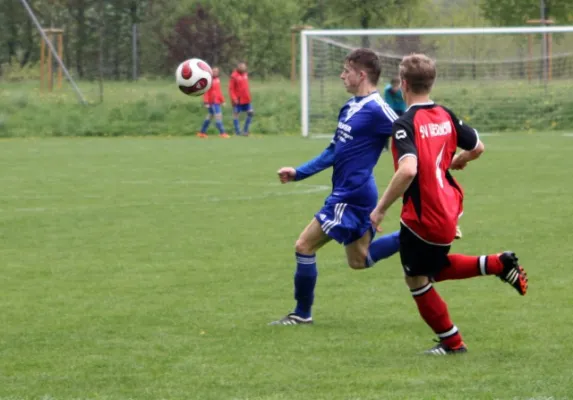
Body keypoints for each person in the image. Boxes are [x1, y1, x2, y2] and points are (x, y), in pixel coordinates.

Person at [370, 54, 528, 355]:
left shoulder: (405, 124)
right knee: (433, 268)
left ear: (403, 84)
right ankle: (498, 263)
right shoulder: (445, 114)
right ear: (431, 82)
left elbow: (407, 169)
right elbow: (478, 147)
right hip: (447, 206)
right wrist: (460, 159)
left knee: (417, 278)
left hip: (423, 215)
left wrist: (379, 209)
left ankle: (452, 342)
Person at [269, 48, 402, 326]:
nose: (342, 75)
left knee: (304, 246)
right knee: (360, 260)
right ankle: (415, 235)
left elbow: (407, 129)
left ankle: (301, 314)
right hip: (357, 193)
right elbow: (334, 150)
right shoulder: (350, 106)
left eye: (346, 71)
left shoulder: (378, 109)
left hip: (351, 195)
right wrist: (299, 173)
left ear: (361, 74)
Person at [197, 67, 229, 138]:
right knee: (218, 116)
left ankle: (201, 132)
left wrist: (222, 101)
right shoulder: (208, 80)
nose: (215, 73)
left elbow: (219, 91)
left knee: (210, 117)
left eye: (217, 71)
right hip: (212, 102)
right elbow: (206, 92)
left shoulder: (217, 80)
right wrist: (206, 102)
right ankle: (222, 133)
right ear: (211, 72)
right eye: (214, 71)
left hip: (217, 102)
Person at [229, 62, 253, 136]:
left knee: (251, 113)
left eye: (244, 67)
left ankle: (245, 130)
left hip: (246, 99)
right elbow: (231, 89)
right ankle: (238, 131)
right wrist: (234, 98)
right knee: (236, 114)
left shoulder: (245, 74)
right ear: (238, 67)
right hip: (238, 99)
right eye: (241, 67)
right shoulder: (234, 76)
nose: (243, 68)